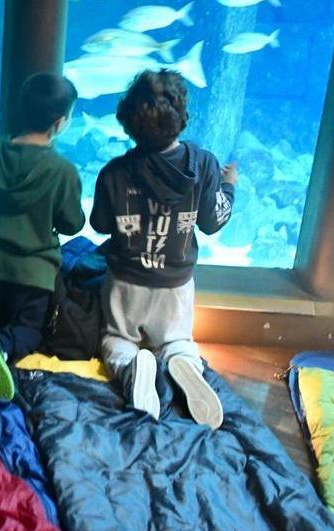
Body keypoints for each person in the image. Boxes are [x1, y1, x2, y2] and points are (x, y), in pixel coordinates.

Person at [89, 69, 236, 429]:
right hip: (176, 285)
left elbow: (99, 224)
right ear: (182, 118)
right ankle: (183, 363)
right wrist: (229, 188)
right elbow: (212, 222)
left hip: (126, 283)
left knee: (117, 340)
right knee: (177, 340)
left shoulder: (114, 172)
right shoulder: (203, 164)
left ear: (127, 120)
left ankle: (131, 368)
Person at [0, 73, 86, 402]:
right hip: (33, 277)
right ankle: (2, 346)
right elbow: (72, 224)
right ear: (59, 122)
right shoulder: (63, 170)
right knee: (29, 330)